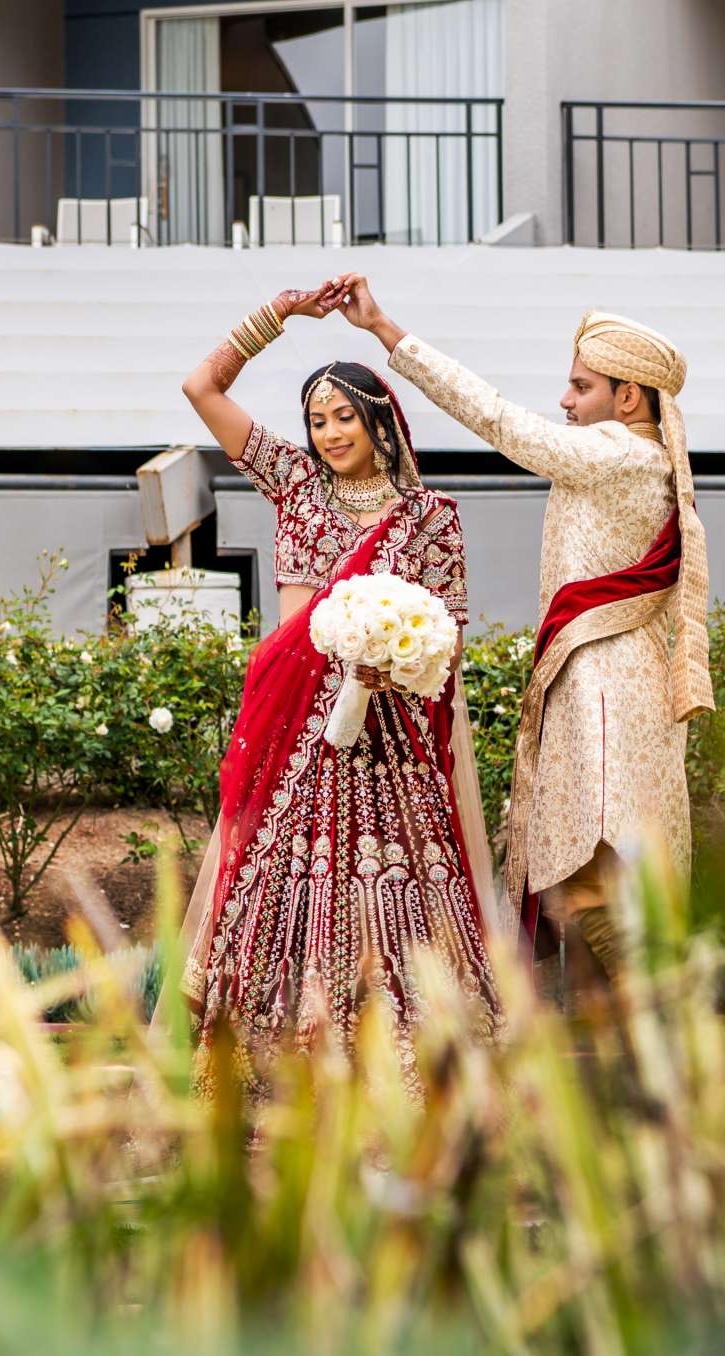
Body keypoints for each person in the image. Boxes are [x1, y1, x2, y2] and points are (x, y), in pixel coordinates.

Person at [324, 273, 713, 997]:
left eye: (579, 386)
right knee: (584, 880)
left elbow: (500, 421)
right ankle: (633, 1059)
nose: (564, 402)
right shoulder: (628, 456)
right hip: (597, 677)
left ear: (627, 397)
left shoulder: (620, 454)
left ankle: (655, 1044)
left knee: (589, 875)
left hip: (604, 688)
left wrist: (386, 332)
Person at [176, 288, 504, 1090]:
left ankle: (412, 1044)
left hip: (395, 739)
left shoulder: (430, 517)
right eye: (317, 420)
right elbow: (201, 389)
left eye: (343, 418)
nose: (327, 434)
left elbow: (448, 634)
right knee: (291, 875)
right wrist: (276, 314)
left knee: (399, 880)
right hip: (306, 731)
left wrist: (390, 666)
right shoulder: (293, 484)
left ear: (381, 422)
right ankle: (280, 1049)